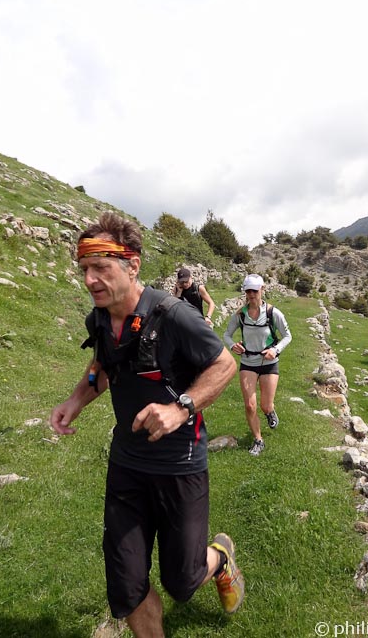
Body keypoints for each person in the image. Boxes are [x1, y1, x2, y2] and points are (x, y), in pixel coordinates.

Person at [49, 212, 244, 638]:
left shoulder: (174, 316)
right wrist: (75, 400)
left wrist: (179, 409)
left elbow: (224, 364)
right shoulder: (99, 319)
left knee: (183, 581)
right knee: (125, 584)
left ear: (132, 264)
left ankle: (220, 557)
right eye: (85, 269)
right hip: (127, 464)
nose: (90, 280)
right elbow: (103, 365)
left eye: (100, 267)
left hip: (180, 464)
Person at [223, 274, 292, 457]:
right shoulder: (240, 314)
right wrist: (233, 345)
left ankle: (270, 412)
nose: (251, 294)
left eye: (255, 290)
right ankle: (258, 440)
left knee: (265, 405)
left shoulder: (273, 313)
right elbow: (227, 335)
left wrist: (275, 350)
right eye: (248, 291)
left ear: (262, 290)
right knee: (250, 406)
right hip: (248, 362)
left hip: (269, 363)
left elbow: (287, 336)